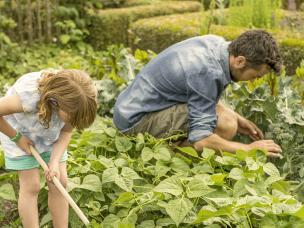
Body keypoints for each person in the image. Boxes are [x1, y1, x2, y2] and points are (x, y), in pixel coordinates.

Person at [113, 30, 283, 157]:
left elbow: (200, 92)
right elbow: (202, 141)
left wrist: (237, 116)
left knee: (228, 116)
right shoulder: (209, 72)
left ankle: (172, 145)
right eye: (255, 76)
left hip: (130, 107)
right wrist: (248, 149)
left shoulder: (218, 45)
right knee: (226, 125)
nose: (252, 81)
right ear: (240, 61)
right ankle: (168, 156)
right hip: (135, 122)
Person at [0, 69, 97, 228]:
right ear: (57, 102)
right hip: (17, 130)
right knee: (32, 186)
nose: (74, 121)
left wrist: (54, 162)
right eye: (73, 117)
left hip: (50, 134)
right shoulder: (29, 98)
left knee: (60, 181)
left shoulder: (77, 104)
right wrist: (17, 138)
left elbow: (65, 132)